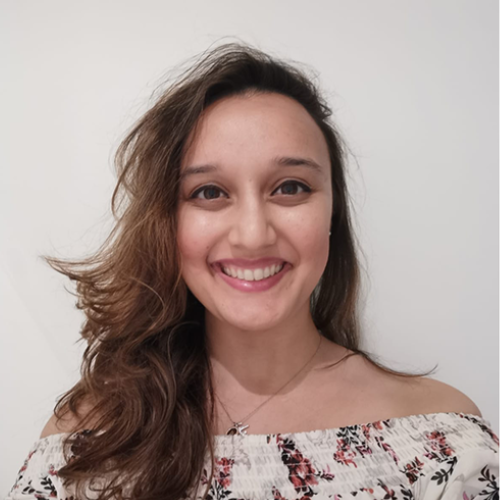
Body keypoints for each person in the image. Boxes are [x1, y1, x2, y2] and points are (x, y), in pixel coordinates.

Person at [5, 42, 498, 500]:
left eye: (290, 187)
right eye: (209, 192)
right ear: (165, 223)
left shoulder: (442, 446)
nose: (252, 234)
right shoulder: (83, 447)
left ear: (334, 214)